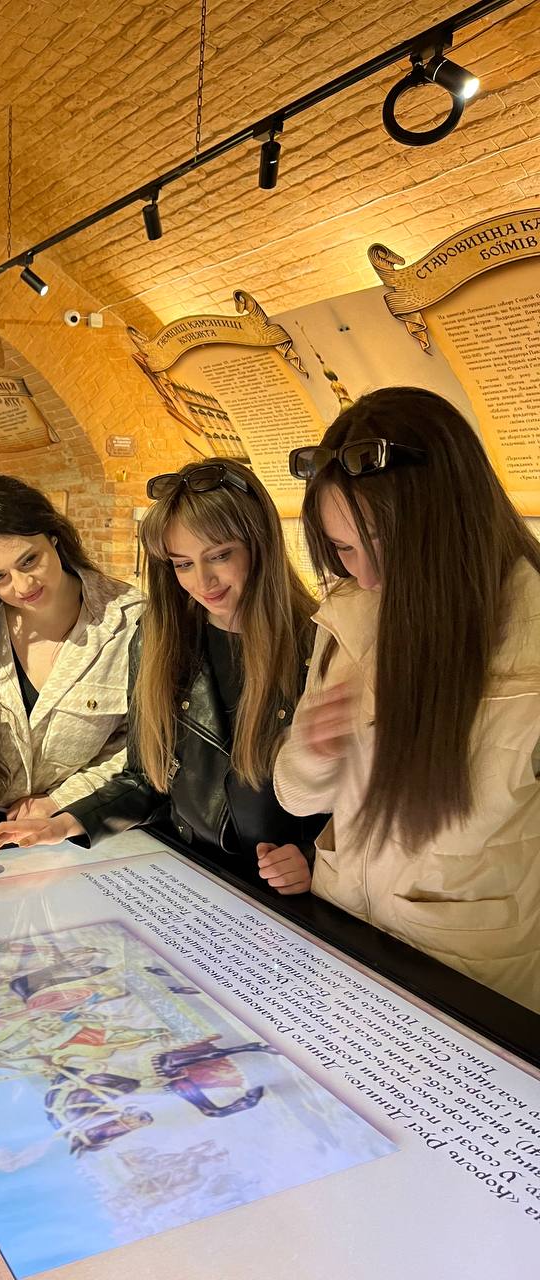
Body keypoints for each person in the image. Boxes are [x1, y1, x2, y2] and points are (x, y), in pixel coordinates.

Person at [273, 387, 540, 1011]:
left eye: (382, 543)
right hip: (345, 939)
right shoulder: (347, 613)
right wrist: (314, 752)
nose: (365, 577)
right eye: (343, 550)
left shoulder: (529, 634)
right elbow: (297, 797)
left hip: (470, 974)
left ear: (451, 520)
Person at [0, 459, 323, 895]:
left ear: (260, 544)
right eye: (182, 564)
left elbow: (355, 795)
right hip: (189, 874)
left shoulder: (319, 642)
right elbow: (146, 779)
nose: (203, 581)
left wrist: (311, 855)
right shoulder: (160, 638)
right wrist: (64, 823)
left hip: (280, 890)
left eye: (220, 555)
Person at [0, 475, 143, 842]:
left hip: (79, 835)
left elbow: (140, 747)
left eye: (29, 561)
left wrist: (61, 802)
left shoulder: (131, 622)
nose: (22, 586)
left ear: (54, 538)